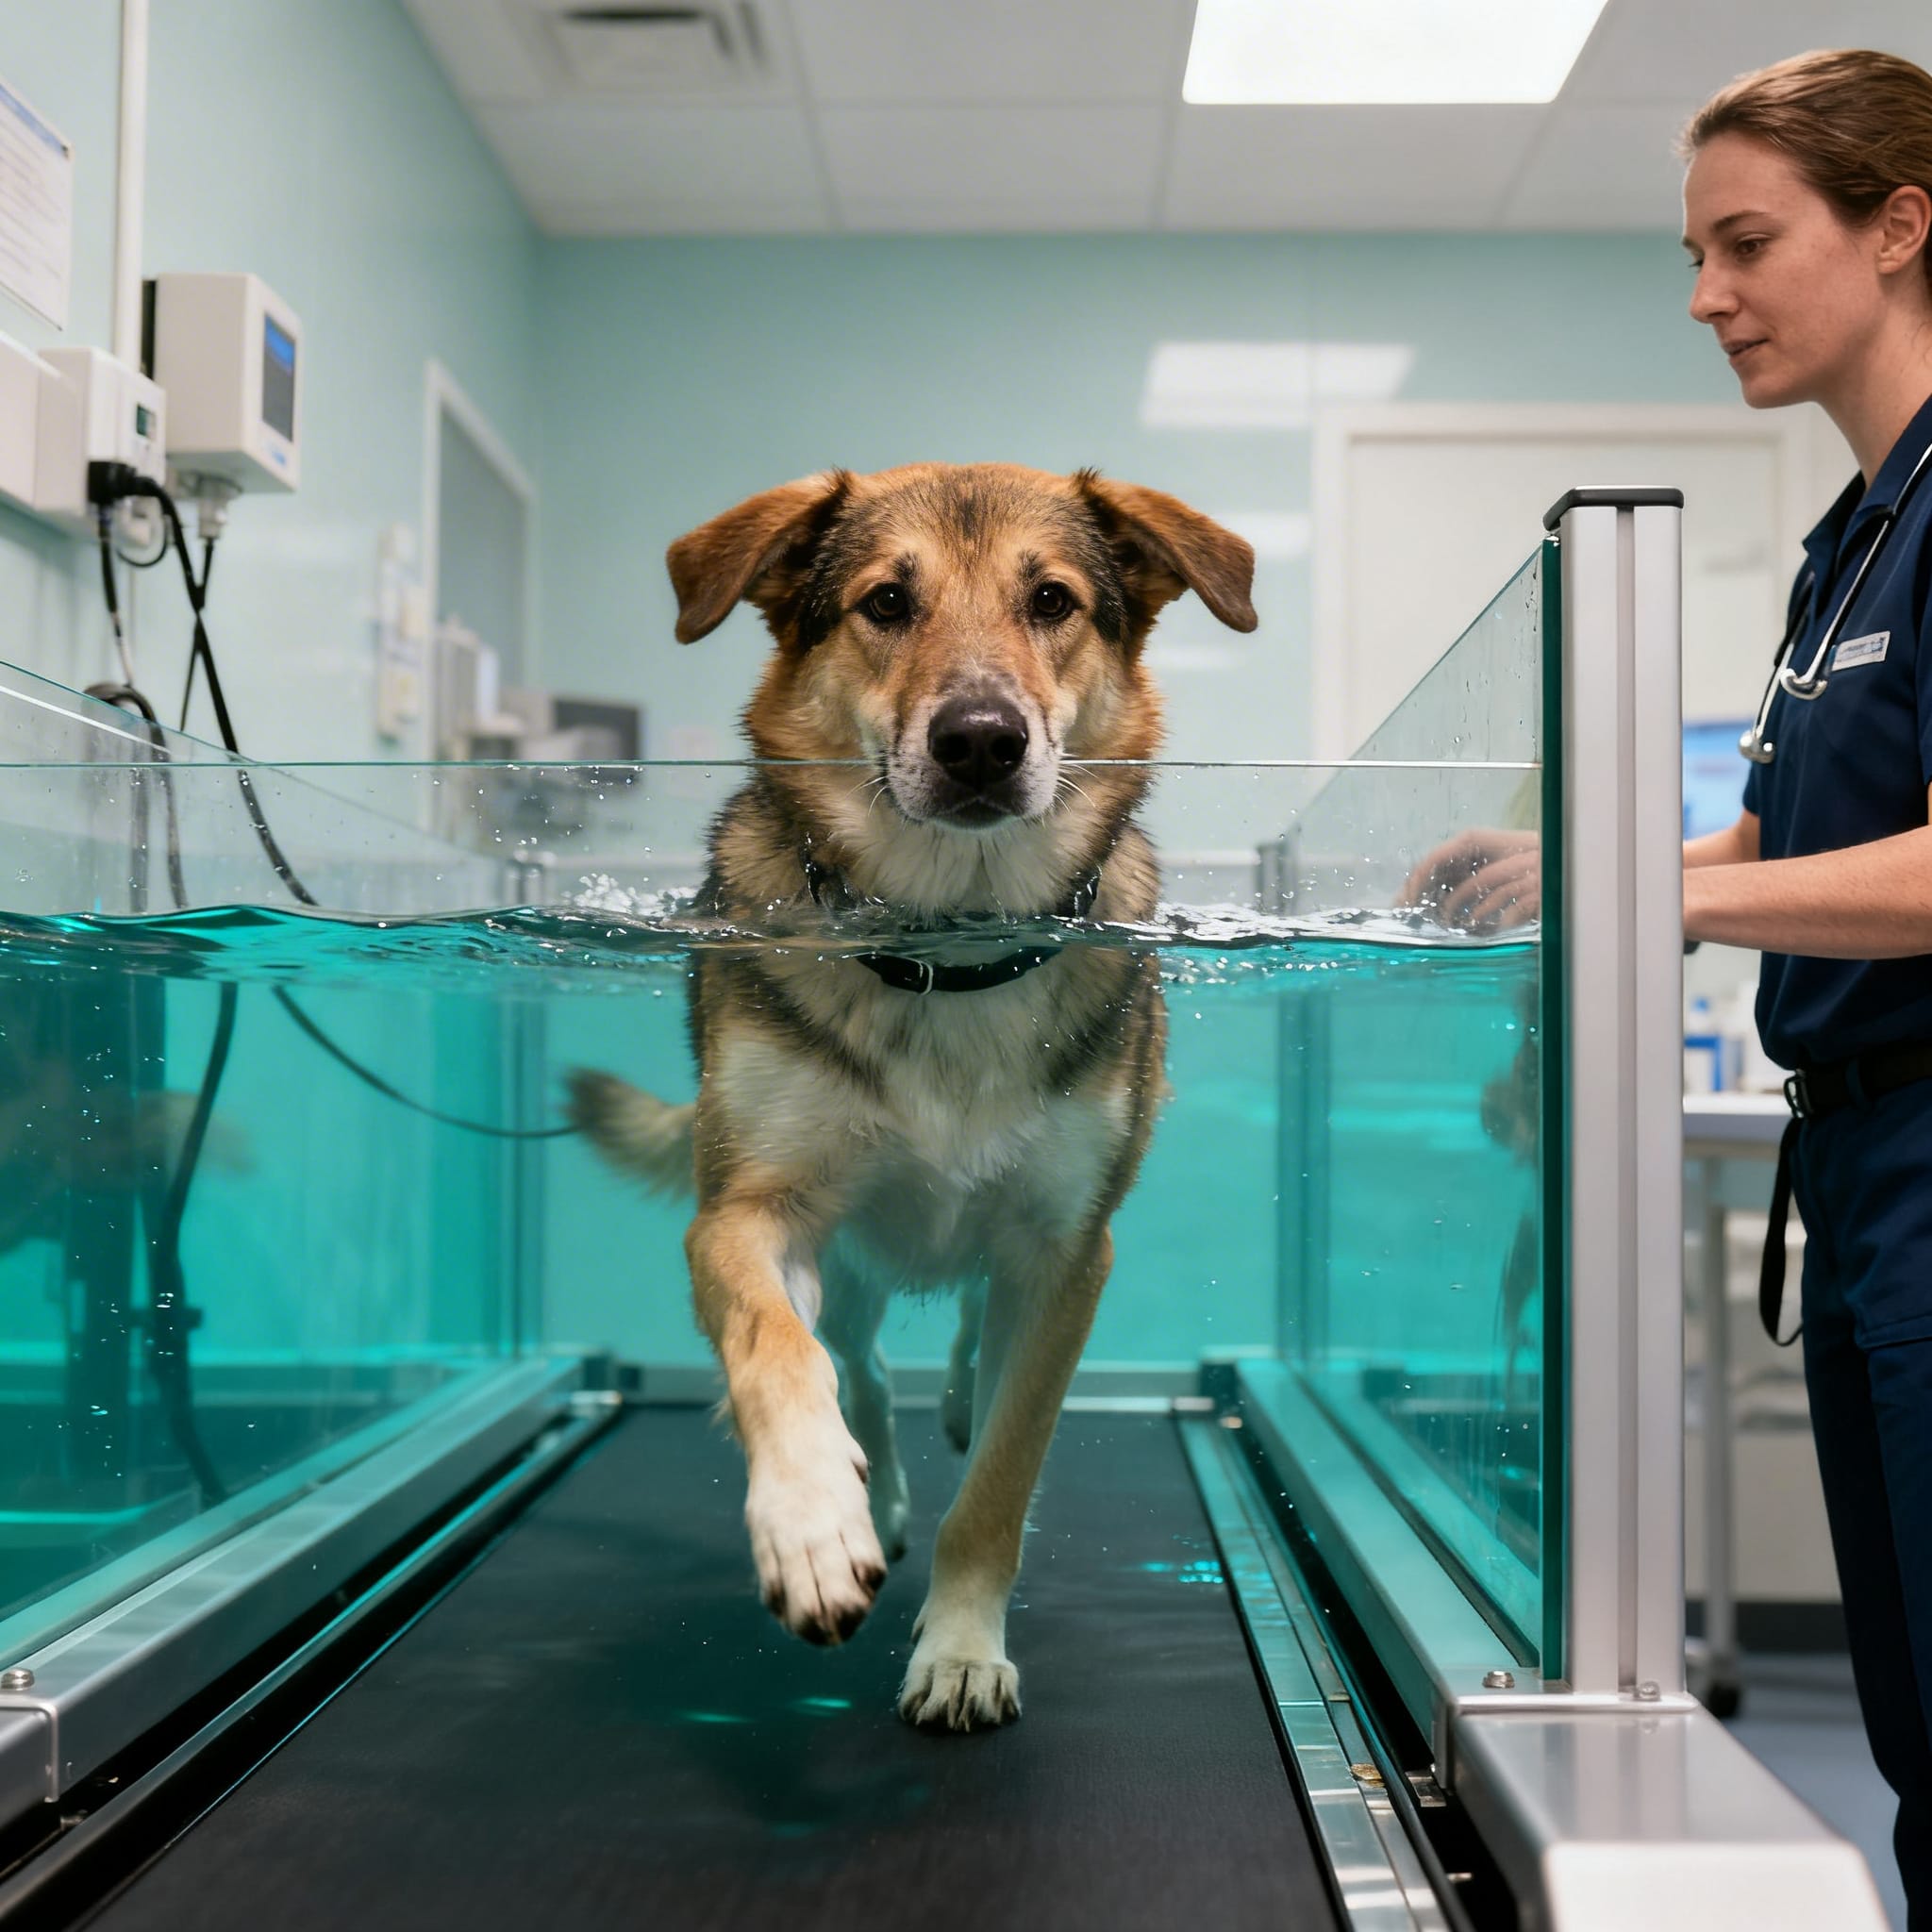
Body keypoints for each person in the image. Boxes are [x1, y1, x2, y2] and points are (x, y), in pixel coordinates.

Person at [1677, 49, 1932, 1925]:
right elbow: (1756, 861)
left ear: (1900, 224)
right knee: (1912, 1724)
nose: (1708, 294)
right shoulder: (1846, 544)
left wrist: (1654, 899)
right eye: (1695, 253)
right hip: (1848, 1178)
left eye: (1746, 242)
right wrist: (1561, 877)